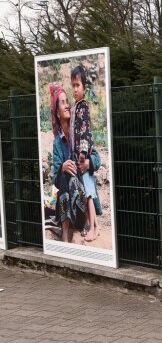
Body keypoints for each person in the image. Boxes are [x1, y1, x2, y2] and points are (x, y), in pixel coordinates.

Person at [49, 84, 103, 244]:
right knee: (65, 173)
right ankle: (65, 232)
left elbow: (97, 158)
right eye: (62, 102)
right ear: (57, 112)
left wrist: (88, 163)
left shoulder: (79, 132)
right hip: (67, 202)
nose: (67, 105)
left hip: (82, 200)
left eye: (67, 101)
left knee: (71, 173)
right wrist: (61, 168)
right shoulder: (57, 143)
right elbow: (54, 179)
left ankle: (83, 223)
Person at [70, 65, 99, 242]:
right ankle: (91, 225)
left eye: (78, 85)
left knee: (88, 193)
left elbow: (85, 131)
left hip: (85, 157)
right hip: (79, 157)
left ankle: (94, 228)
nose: (75, 89)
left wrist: (82, 153)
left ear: (84, 88)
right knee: (85, 192)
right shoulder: (76, 107)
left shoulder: (83, 107)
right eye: (73, 85)